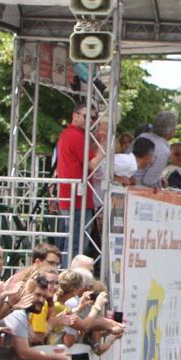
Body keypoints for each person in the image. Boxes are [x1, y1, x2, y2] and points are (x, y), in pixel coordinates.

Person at [53, 103, 100, 262]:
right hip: (77, 199)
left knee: (73, 242)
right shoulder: (76, 136)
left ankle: (69, 276)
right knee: (76, 244)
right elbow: (93, 164)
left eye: (94, 118)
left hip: (73, 197)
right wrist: (106, 146)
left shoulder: (70, 135)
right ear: (75, 116)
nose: (91, 121)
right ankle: (70, 279)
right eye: (87, 117)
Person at [136, 111, 179, 189]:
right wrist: (159, 181)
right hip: (138, 190)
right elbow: (149, 181)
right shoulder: (163, 150)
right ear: (171, 131)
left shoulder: (142, 136)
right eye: (175, 128)